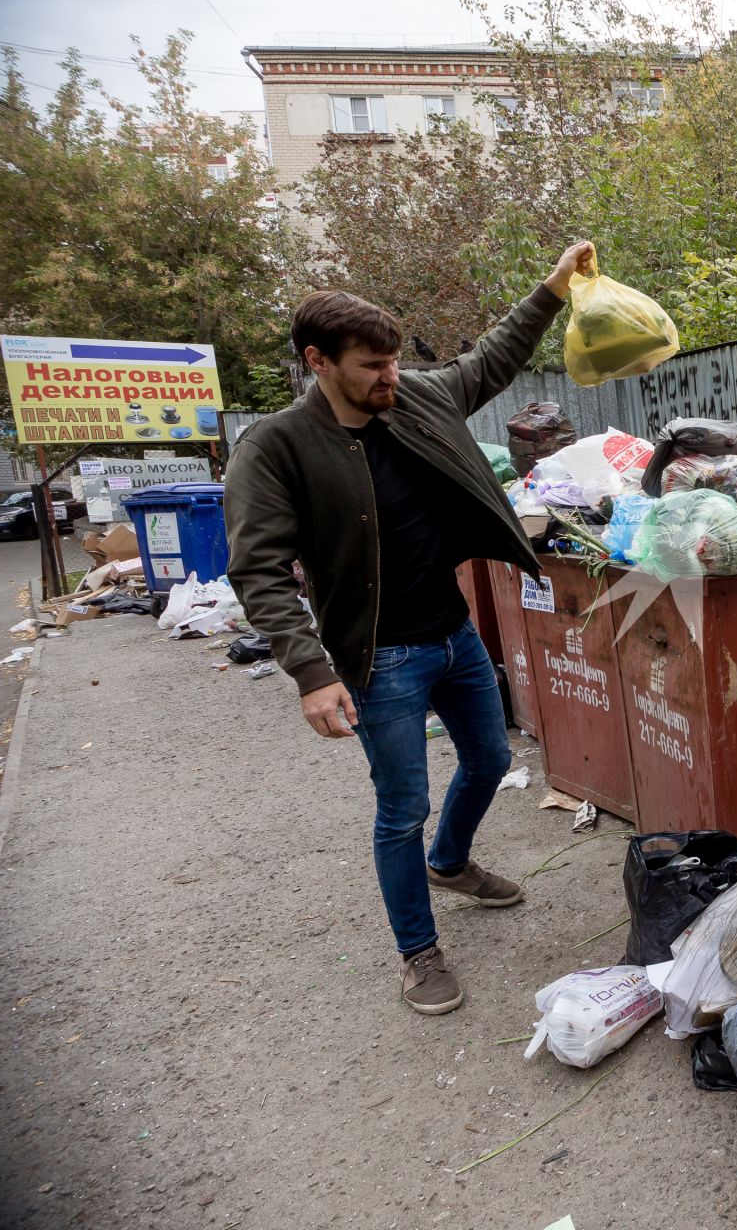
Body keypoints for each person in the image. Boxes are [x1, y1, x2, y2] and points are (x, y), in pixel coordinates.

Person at [226, 241, 594, 1015]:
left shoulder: (415, 397)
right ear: (317, 361)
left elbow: (492, 359)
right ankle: (418, 953)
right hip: (379, 657)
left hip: (454, 634)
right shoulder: (277, 446)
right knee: (401, 809)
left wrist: (553, 288)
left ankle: (452, 863)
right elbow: (257, 569)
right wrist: (310, 671)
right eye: (372, 368)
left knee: (491, 759)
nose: (391, 378)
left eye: (394, 363)